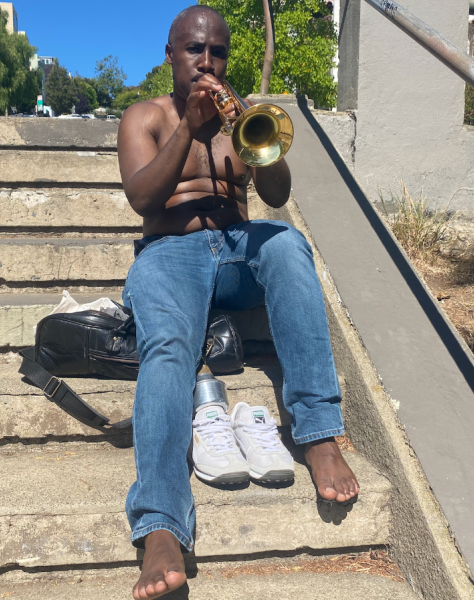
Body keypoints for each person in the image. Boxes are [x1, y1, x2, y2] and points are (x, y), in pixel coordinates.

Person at [117, 6, 359, 599]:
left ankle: (317, 433)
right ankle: (160, 524)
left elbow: (277, 194)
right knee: (169, 347)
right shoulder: (145, 116)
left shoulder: (241, 116)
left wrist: (250, 134)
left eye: (218, 52)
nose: (207, 62)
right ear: (170, 54)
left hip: (236, 248)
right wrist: (189, 129)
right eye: (194, 50)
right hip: (168, 251)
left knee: (288, 244)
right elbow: (142, 197)